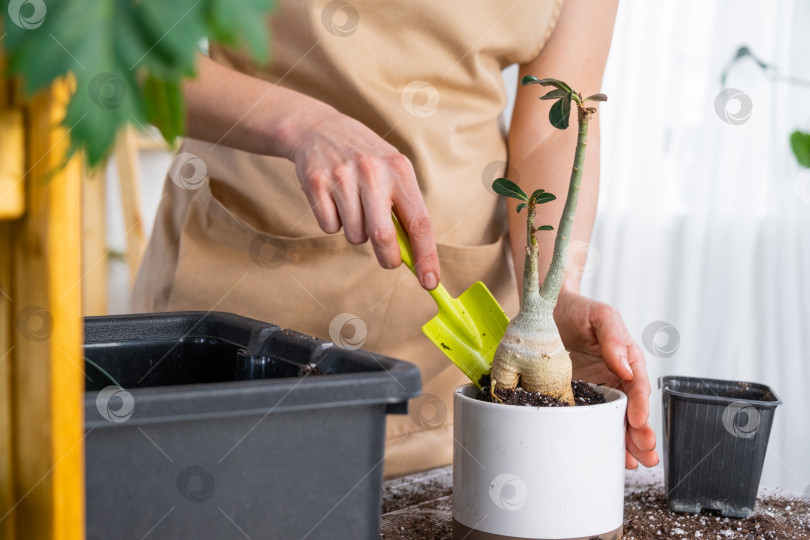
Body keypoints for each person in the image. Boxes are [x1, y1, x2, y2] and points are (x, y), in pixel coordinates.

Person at [133, 0, 658, 477]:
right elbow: (123, 50)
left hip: (449, 362)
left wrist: (551, 298)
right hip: (241, 306)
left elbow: (553, 128)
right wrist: (301, 124)